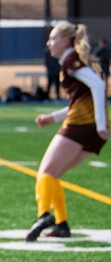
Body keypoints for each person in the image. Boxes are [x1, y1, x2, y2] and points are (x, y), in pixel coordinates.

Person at [26, 21, 109, 242]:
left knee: (45, 173)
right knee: (53, 175)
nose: (48, 43)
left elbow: (99, 87)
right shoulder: (70, 62)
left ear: (65, 41)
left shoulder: (71, 60)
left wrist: (101, 125)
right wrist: (52, 118)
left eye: (52, 39)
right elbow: (79, 101)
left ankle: (44, 215)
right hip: (88, 128)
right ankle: (61, 225)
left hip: (81, 126)